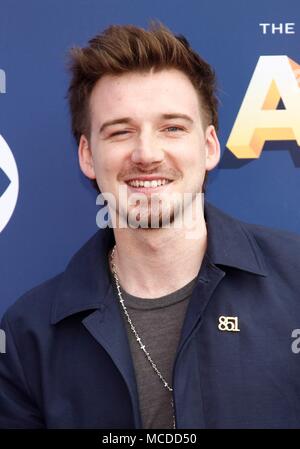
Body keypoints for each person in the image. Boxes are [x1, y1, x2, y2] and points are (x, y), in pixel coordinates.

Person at [1, 21, 300, 430]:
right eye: (121, 131)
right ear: (88, 155)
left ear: (209, 146)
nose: (147, 153)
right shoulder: (26, 337)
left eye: (172, 128)